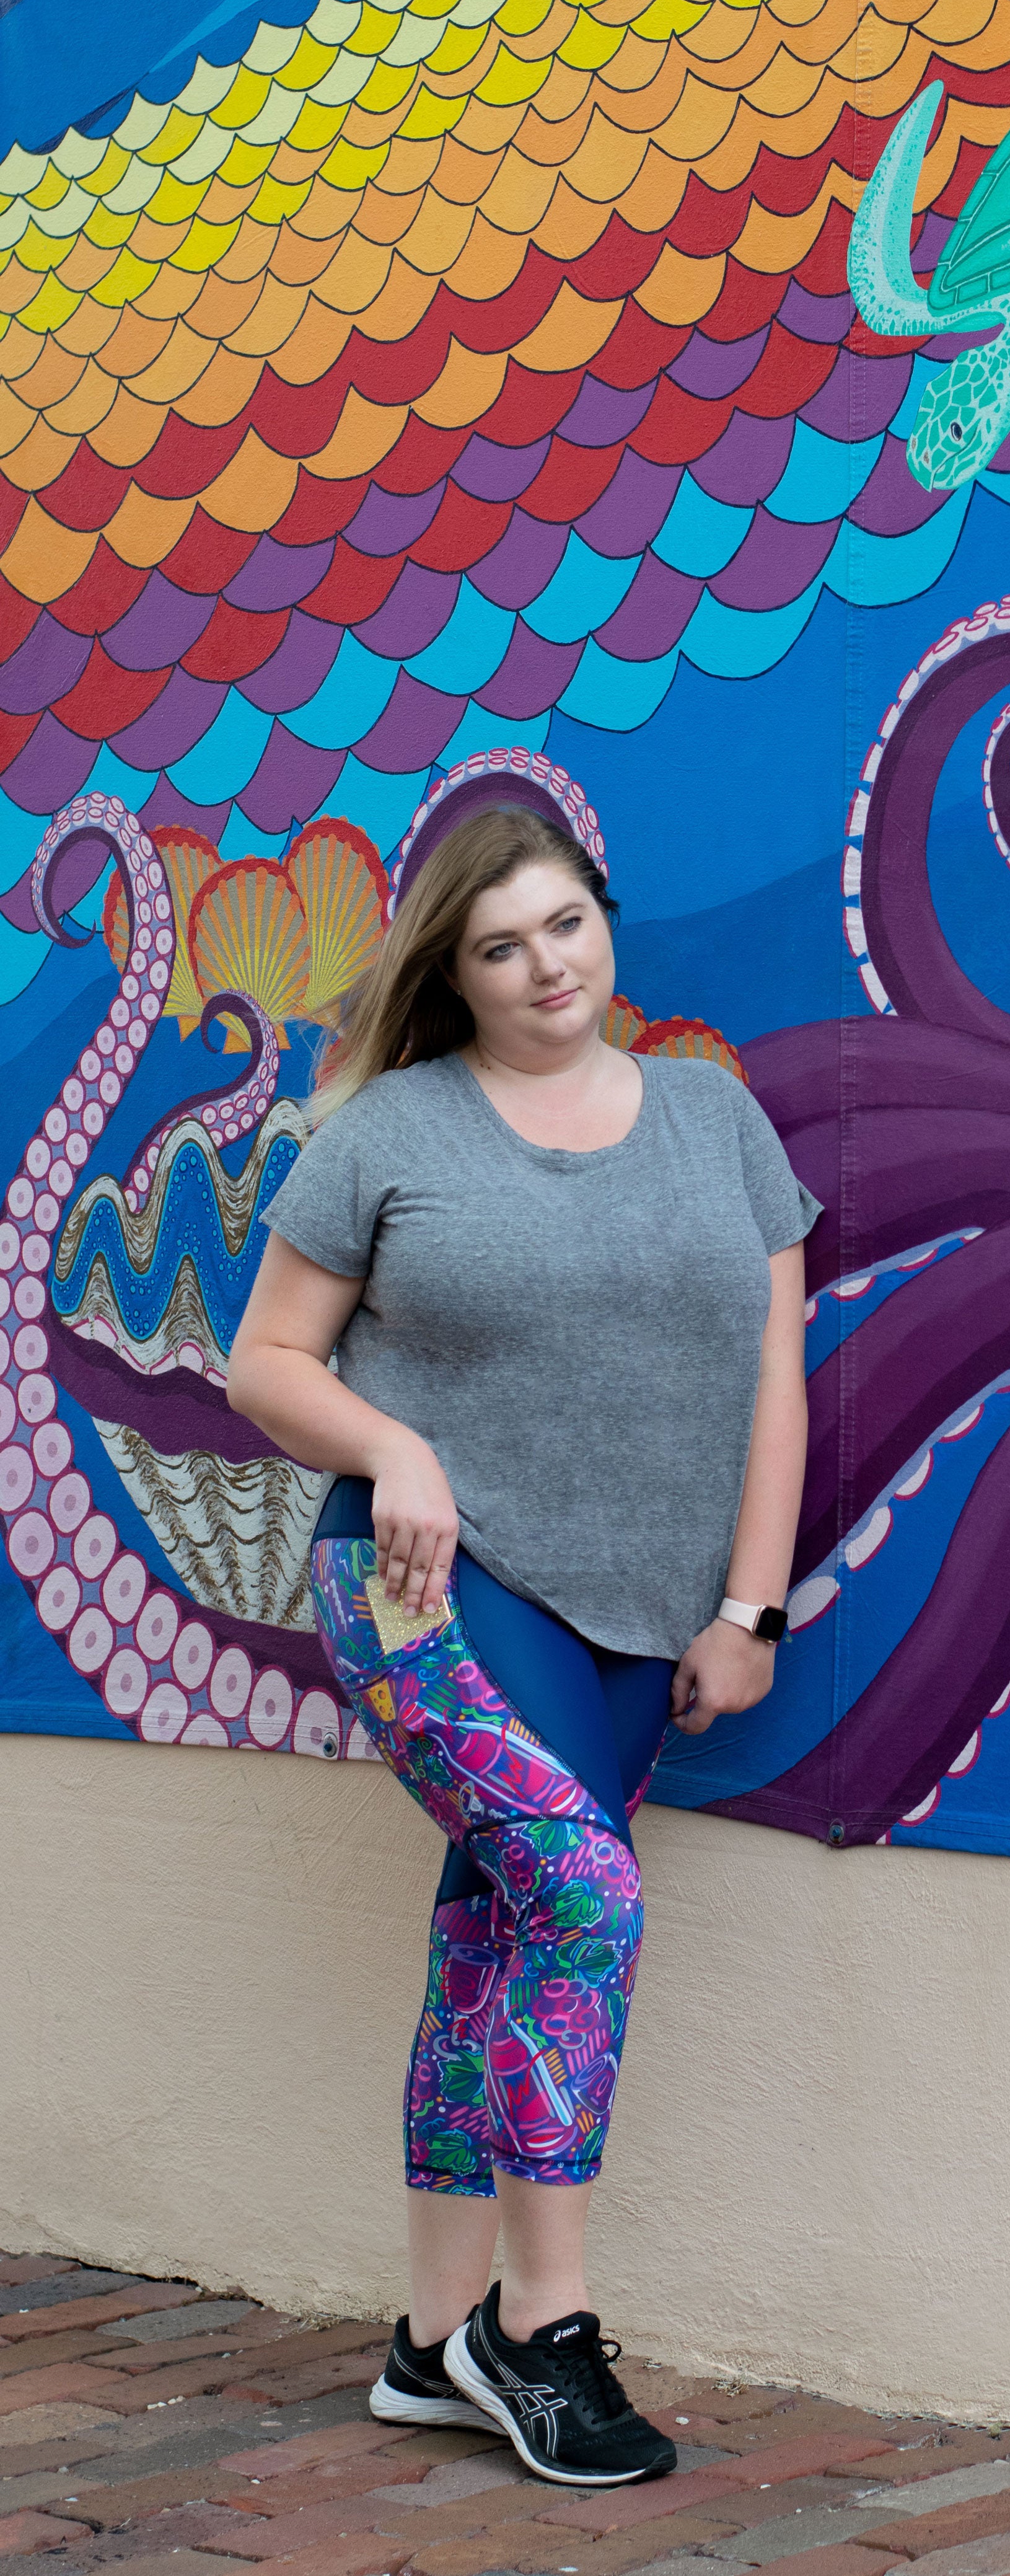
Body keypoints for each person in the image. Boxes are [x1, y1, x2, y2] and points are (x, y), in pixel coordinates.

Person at [227, 800, 817, 2489]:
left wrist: (748, 1606)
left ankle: (426, 2345)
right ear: (455, 970)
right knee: (585, 1896)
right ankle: (535, 2330)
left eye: (564, 925)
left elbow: (773, 1374)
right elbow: (267, 1361)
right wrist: (395, 1450)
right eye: (500, 945)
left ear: (603, 920)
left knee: (495, 1927)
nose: (543, 965)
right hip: (431, 1587)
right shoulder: (389, 1133)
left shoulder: (714, 1119)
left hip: (648, 1608)